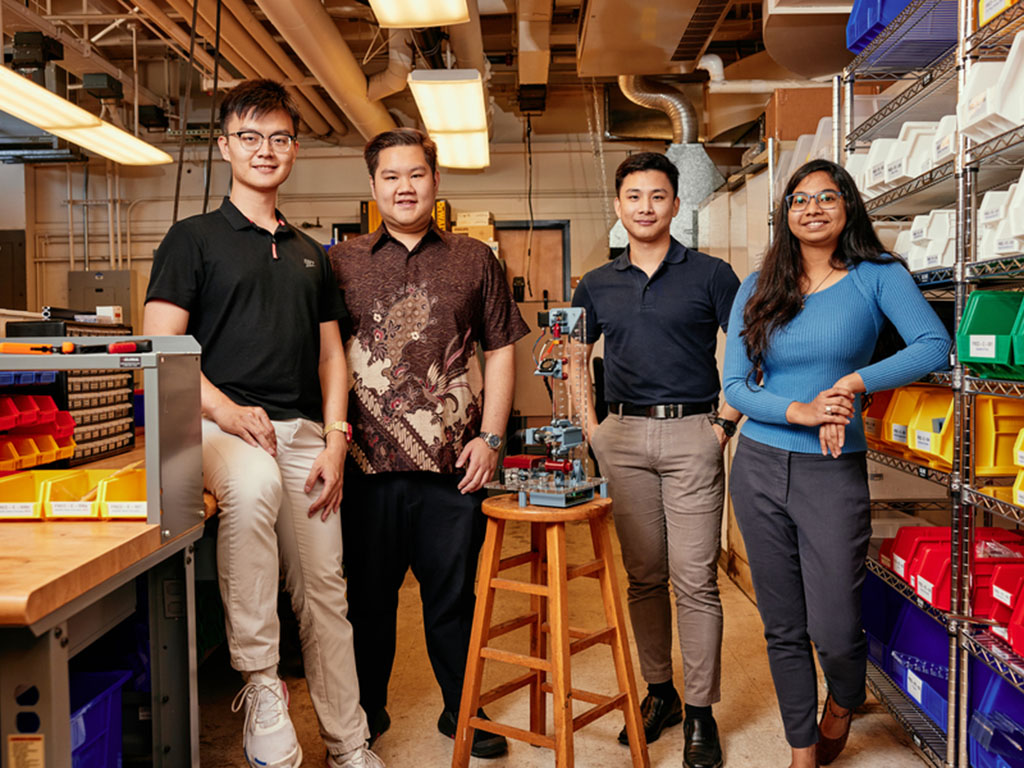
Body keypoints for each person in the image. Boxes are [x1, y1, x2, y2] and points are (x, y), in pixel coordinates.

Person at [144, 80, 381, 768]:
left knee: (325, 594)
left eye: (278, 137)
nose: (264, 150)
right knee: (250, 488)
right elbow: (165, 347)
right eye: (249, 136)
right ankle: (260, 683)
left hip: (304, 434)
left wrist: (336, 440)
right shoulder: (191, 239)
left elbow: (332, 355)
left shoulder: (311, 253)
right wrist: (224, 410)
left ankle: (349, 742)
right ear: (224, 147)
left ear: (294, 149)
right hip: (219, 429)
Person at [722, 159, 950, 768]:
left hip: (832, 470)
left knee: (835, 622)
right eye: (799, 199)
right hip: (761, 465)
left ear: (848, 205)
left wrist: (852, 382)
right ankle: (801, 750)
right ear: (786, 213)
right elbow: (737, 387)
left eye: (827, 197)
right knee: (782, 623)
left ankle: (845, 696)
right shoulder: (759, 284)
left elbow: (934, 344)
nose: (813, 208)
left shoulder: (878, 276)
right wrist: (801, 410)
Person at [328, 128, 529, 759]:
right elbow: (326, 355)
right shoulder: (339, 262)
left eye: (416, 174)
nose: (404, 187)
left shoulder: (475, 260)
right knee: (367, 602)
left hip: (453, 467)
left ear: (435, 182)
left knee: (454, 601)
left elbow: (500, 351)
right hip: (364, 468)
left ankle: (462, 708)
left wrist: (492, 438)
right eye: (390, 176)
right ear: (373, 186)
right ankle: (366, 714)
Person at [573, 151, 740, 768]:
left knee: (695, 579)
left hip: (694, 432)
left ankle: (701, 713)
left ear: (676, 203)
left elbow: (748, 347)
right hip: (623, 438)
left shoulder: (712, 274)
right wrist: (592, 430)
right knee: (643, 576)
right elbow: (573, 355)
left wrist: (725, 422)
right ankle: (661, 692)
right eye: (634, 196)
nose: (645, 207)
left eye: (657, 196)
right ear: (618, 208)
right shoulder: (596, 283)